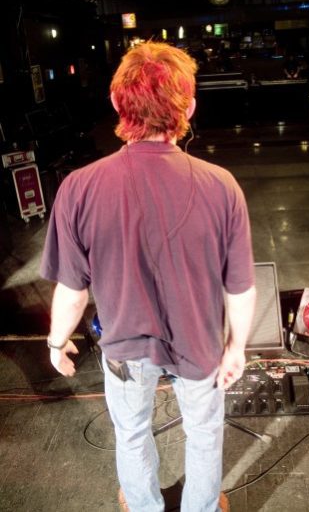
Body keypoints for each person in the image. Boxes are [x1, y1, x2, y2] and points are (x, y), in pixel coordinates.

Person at [40, 41, 256, 512]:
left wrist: (57, 343)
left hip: (124, 350)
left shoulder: (79, 187)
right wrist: (236, 347)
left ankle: (143, 506)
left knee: (132, 431)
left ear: (117, 103)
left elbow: (72, 291)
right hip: (199, 345)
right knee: (204, 432)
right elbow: (240, 287)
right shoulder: (222, 185)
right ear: (189, 107)